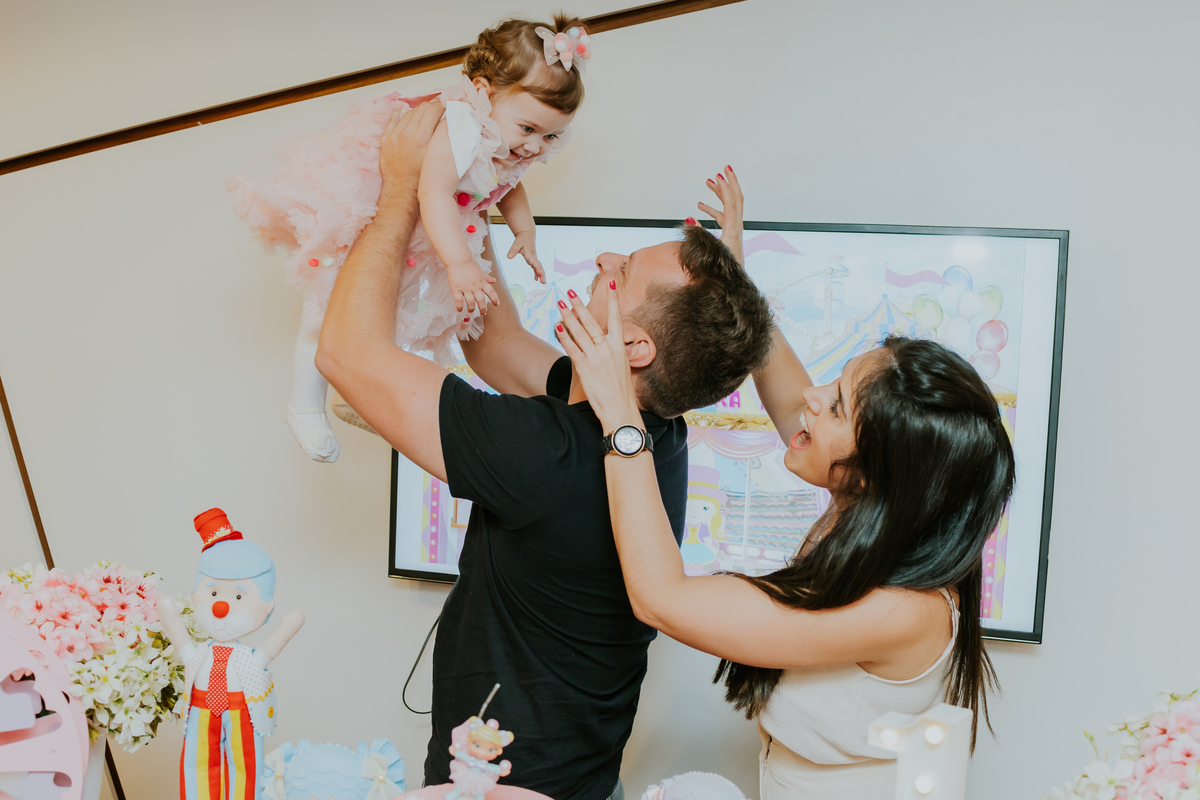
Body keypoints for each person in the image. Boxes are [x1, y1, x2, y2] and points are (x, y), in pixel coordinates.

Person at [313, 95, 775, 800]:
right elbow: (493, 344)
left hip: (509, 788)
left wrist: (404, 189)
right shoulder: (656, 432)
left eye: (621, 274)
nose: (605, 257)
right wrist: (467, 194)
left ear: (633, 347)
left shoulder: (546, 453)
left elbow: (347, 353)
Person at [554, 177, 1016, 800]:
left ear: (876, 470)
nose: (808, 398)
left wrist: (621, 420)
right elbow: (788, 387)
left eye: (834, 407)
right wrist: (734, 292)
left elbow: (661, 598)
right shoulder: (862, 517)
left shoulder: (905, 610)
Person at [228, 14, 590, 463]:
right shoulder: (460, 123)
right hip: (384, 209)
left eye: (550, 135)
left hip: (425, 228)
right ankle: (303, 405)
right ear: (482, 91)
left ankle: (360, 396)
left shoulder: (508, 139)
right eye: (529, 129)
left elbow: (510, 182)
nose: (535, 147)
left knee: (389, 312)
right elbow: (432, 190)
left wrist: (525, 232)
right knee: (330, 309)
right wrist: (460, 265)